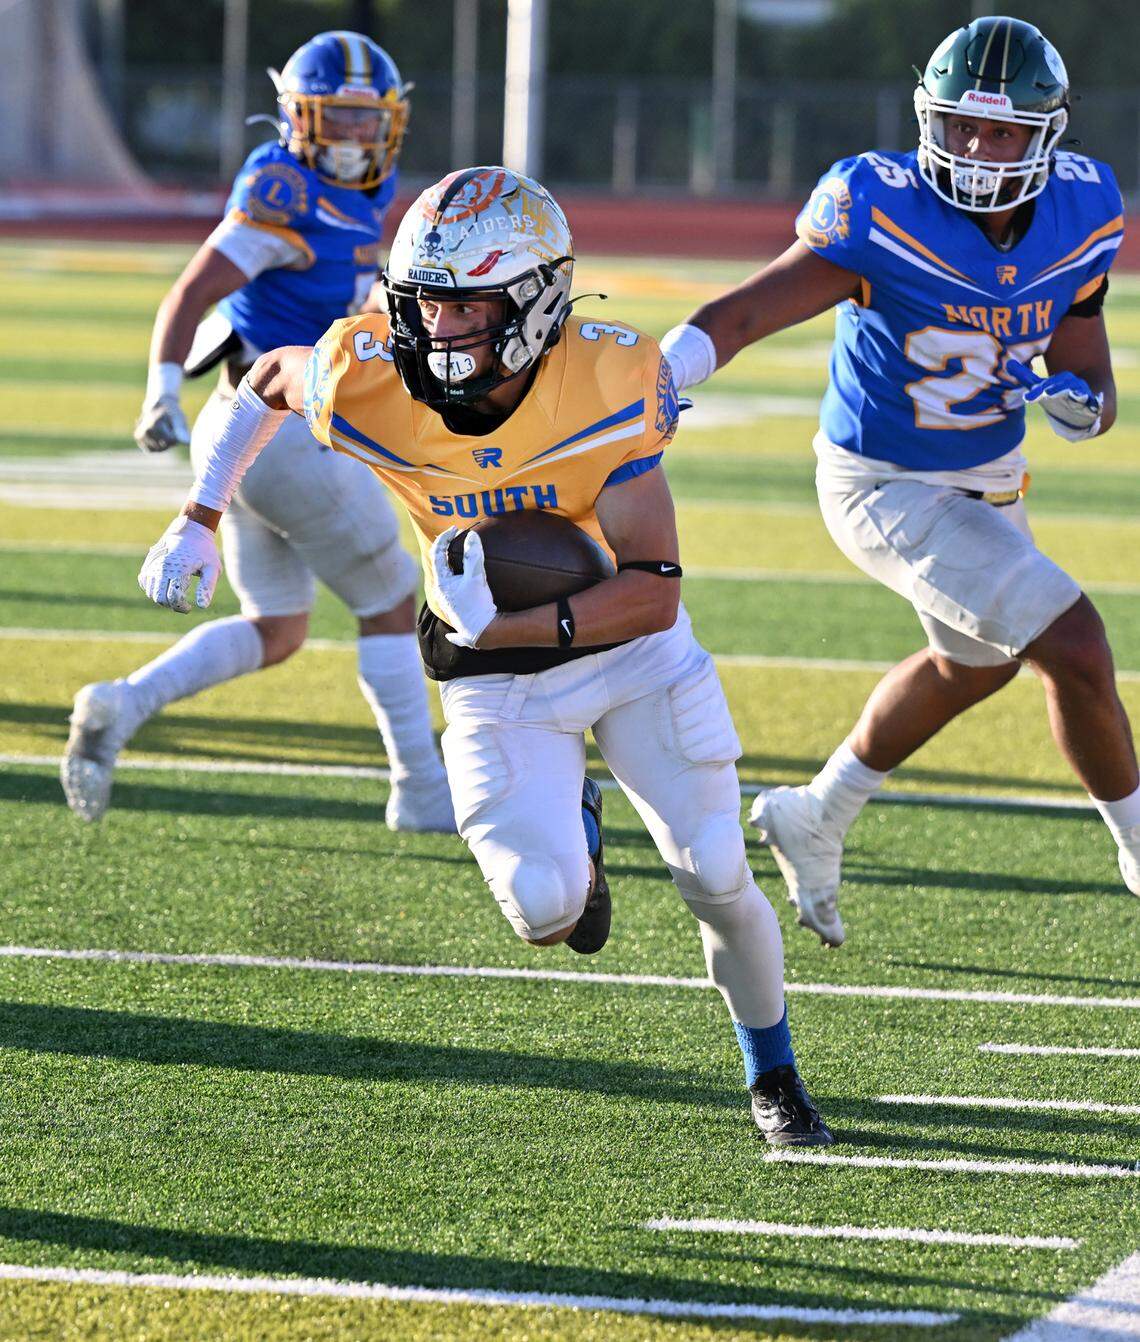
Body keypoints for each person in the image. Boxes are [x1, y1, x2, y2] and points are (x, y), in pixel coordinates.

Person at [135, 165, 833, 1145]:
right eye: (424, 300)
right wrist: (198, 515)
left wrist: (499, 626)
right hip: (495, 677)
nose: (438, 326)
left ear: (540, 299)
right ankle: (581, 854)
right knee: (542, 909)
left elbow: (651, 590)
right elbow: (263, 380)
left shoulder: (607, 380)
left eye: (467, 304)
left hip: (625, 650)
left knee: (715, 868)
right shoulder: (369, 371)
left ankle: (775, 1076)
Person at [661, 15, 1139, 947]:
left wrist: (1090, 402)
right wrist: (667, 375)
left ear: (1046, 135)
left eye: (999, 131)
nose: (973, 147)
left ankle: (816, 813)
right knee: (1075, 643)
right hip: (882, 480)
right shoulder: (878, 205)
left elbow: (1086, 359)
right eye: (959, 124)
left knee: (977, 666)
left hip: (989, 472)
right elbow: (750, 308)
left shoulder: (1086, 210)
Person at [61, 30, 454, 833]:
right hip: (284, 429)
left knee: (276, 628)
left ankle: (122, 703)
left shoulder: (375, 191)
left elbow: (344, 294)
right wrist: (159, 391)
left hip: (243, 431)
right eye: (337, 120)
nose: (355, 136)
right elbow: (194, 289)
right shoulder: (281, 189)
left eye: (366, 119)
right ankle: (420, 790)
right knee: (388, 605)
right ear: (299, 118)